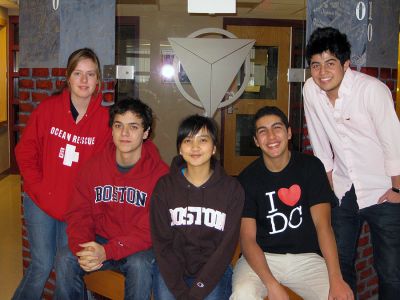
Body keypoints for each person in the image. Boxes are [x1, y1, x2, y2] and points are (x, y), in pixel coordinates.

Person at [303, 26, 400, 299]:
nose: (322, 72)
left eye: (330, 63)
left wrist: (398, 189)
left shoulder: (372, 90)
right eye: (316, 65)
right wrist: (330, 179)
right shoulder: (311, 90)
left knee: (391, 271)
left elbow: (393, 140)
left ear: (346, 65)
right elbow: (318, 137)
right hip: (344, 188)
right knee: (338, 263)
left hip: (384, 188)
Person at [13, 48, 111, 300]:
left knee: (67, 266)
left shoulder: (104, 120)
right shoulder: (47, 110)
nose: (84, 80)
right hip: (41, 202)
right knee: (42, 265)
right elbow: (25, 152)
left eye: (90, 74)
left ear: (98, 81)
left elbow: (105, 169)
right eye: (78, 73)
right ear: (68, 77)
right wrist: (38, 186)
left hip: (77, 209)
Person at [230, 106, 353, 300]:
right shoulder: (247, 179)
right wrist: (271, 284)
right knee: (243, 294)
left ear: (288, 133)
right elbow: (247, 239)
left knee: (339, 296)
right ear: (256, 141)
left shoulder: (311, 168)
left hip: (307, 259)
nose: (271, 137)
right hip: (261, 257)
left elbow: (324, 227)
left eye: (277, 128)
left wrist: (336, 278)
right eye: (263, 131)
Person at [54, 98, 168, 299]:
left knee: (139, 266)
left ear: (146, 133)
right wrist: (85, 248)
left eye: (133, 127)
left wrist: (108, 251)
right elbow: (79, 213)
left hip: (139, 246)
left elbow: (151, 229)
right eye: (118, 126)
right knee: (65, 257)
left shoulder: (161, 176)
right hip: (102, 238)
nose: (124, 133)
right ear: (112, 130)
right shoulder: (93, 168)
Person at [150, 115, 244, 300]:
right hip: (171, 272)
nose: (195, 147)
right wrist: (180, 290)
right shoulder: (165, 187)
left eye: (203, 140)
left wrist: (198, 290)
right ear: (180, 148)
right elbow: (162, 243)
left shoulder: (232, 189)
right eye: (187, 140)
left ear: (214, 147)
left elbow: (226, 248)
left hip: (213, 272)